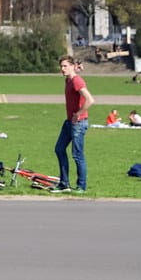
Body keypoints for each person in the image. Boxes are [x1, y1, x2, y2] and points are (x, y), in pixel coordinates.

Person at [52, 55, 94, 194]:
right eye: (61, 66)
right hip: (69, 122)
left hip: (78, 123)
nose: (62, 69)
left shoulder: (76, 81)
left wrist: (78, 113)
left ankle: (81, 187)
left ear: (72, 66)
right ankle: (64, 183)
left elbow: (90, 100)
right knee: (59, 149)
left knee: (77, 155)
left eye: (65, 66)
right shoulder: (68, 80)